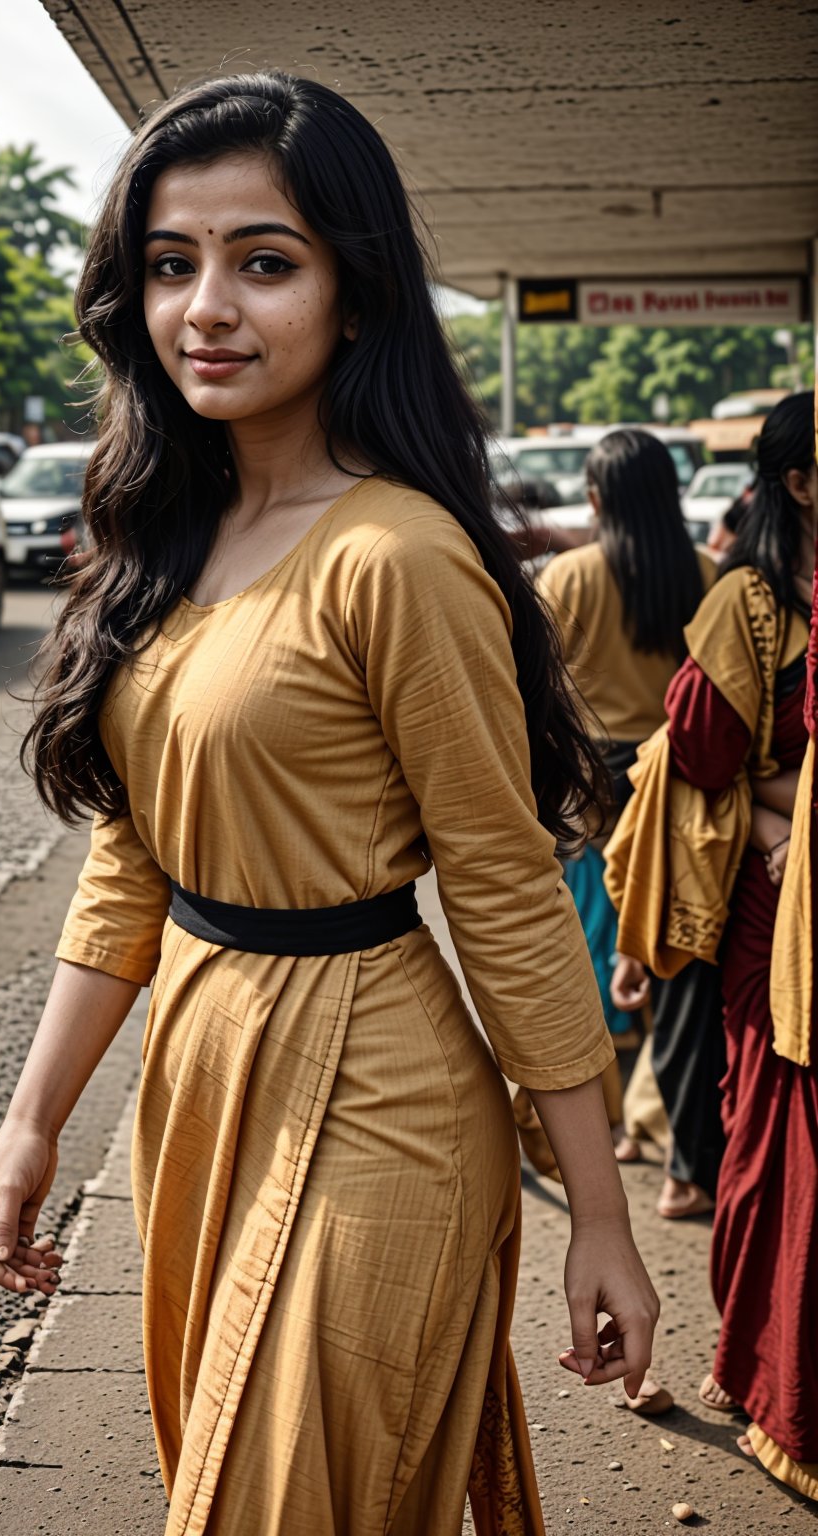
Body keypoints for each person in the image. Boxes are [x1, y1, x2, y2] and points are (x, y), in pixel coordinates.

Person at [0, 72, 658, 1535]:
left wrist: (602, 1217)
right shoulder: (160, 536)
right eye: (170, 263)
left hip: (381, 1088)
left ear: (356, 291)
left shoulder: (395, 558)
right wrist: (32, 1123)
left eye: (263, 261)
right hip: (203, 1077)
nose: (206, 305)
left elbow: (508, 893)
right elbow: (127, 871)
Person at [613, 391, 817, 1501]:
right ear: (797, 485)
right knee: (764, 1134)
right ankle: (754, 1364)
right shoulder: (748, 599)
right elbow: (696, 749)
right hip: (768, 911)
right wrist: (782, 811)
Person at [538, 430, 722, 1224]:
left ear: (598, 497)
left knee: (587, 948)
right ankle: (679, 1154)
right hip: (680, 789)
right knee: (674, 961)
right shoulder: (710, 576)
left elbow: (536, 690)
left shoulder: (569, 576)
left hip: (592, 787)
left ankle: (600, 1124)